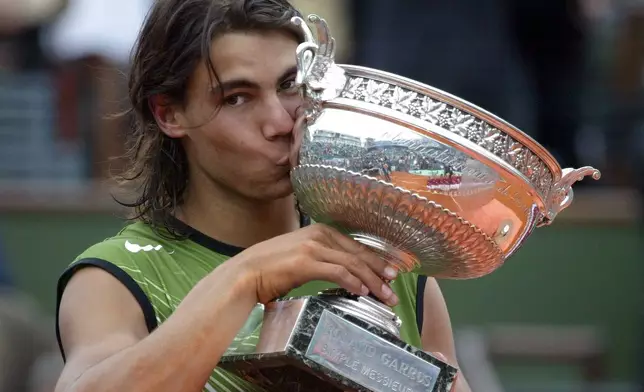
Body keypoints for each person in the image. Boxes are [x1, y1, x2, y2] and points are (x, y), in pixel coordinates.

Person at [54, 1, 471, 391]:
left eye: (291, 85)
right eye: (237, 98)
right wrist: (244, 278)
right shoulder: (113, 279)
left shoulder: (389, 261)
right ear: (169, 113)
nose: (279, 121)